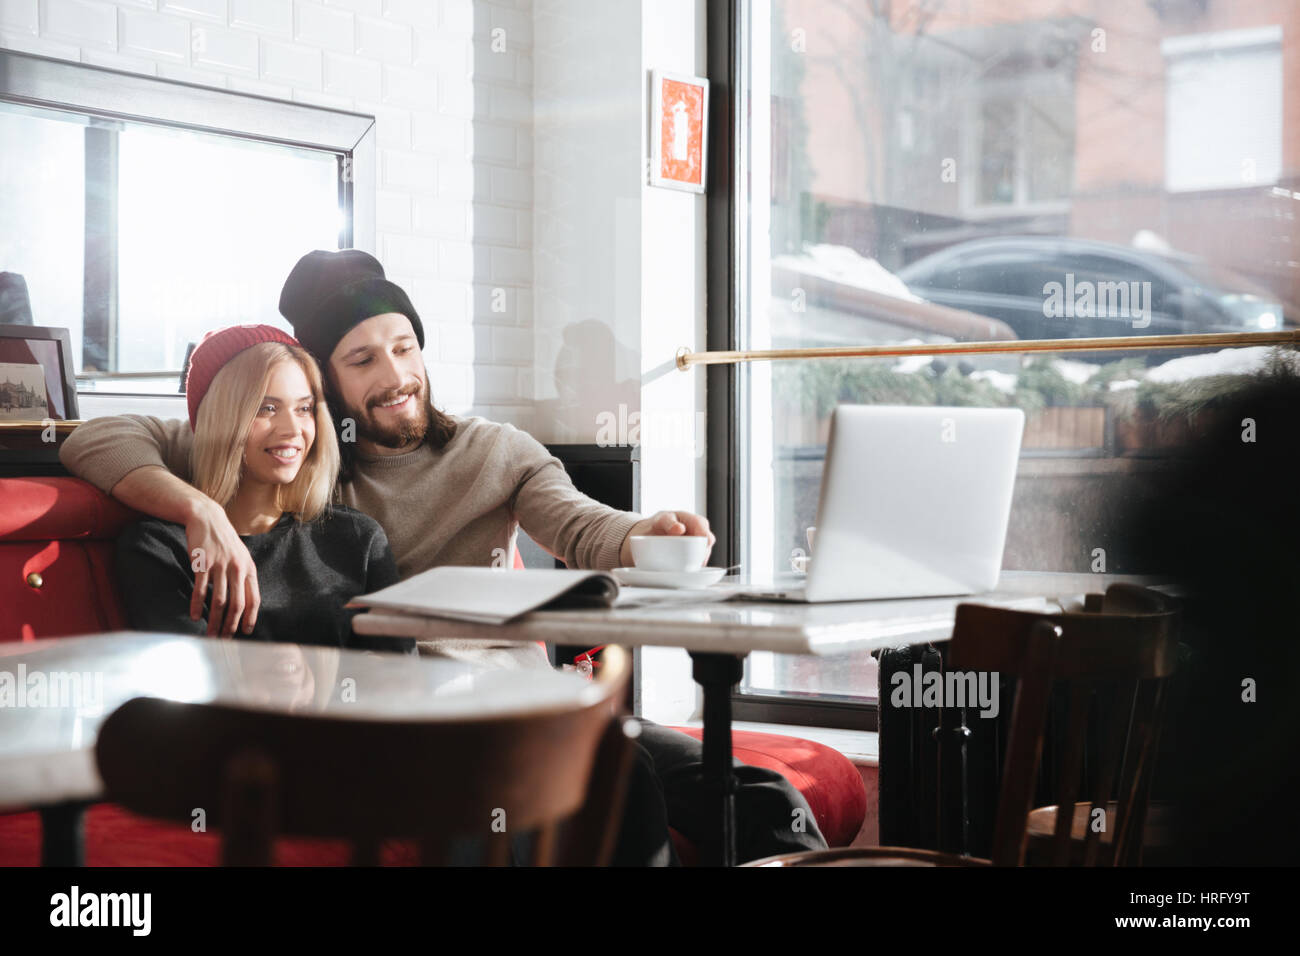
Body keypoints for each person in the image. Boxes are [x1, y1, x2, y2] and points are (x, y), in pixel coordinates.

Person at [61, 249, 829, 864]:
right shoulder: (311, 471)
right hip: (423, 721)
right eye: (361, 360)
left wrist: (643, 533)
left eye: (403, 347)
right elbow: (99, 436)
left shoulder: (493, 451)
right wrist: (197, 507)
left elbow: (579, 524)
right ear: (328, 385)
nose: (395, 377)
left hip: (533, 700)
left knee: (761, 800)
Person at [114, 324, 412, 656]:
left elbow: (404, 682)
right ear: (223, 419)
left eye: (304, 408)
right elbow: (188, 689)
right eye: (266, 409)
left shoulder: (359, 539)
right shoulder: (162, 549)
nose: (293, 429)